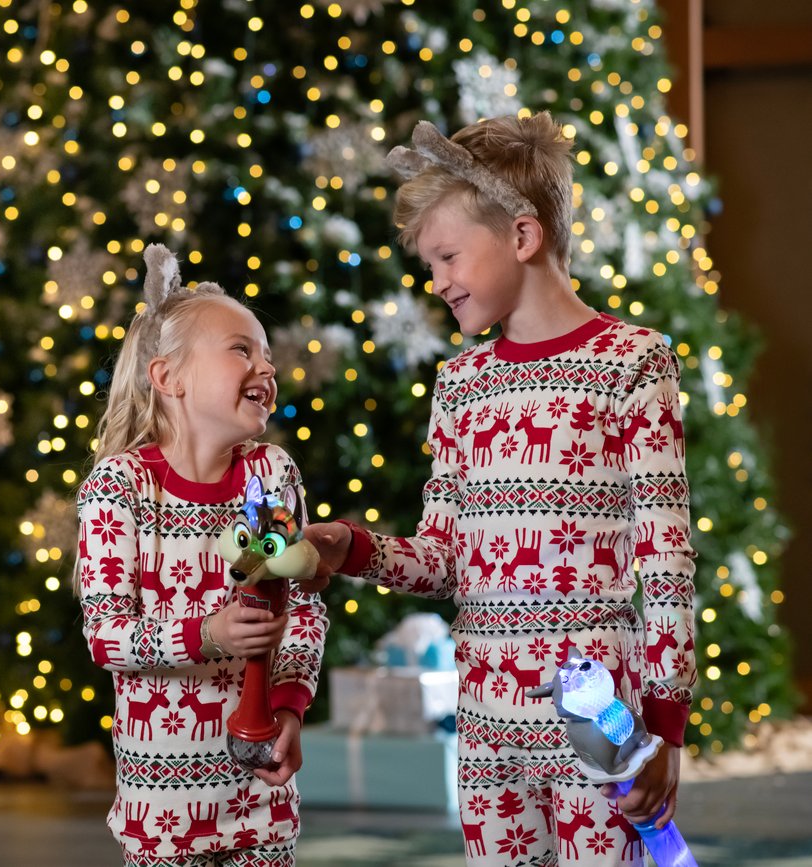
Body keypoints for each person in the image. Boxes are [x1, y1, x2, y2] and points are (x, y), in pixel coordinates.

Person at [305, 113, 697, 866]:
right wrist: (354, 547)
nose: (437, 281)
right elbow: (445, 558)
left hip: (601, 732)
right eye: (429, 263)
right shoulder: (460, 385)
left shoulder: (632, 364)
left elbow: (669, 565)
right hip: (486, 737)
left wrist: (664, 725)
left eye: (448, 255)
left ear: (522, 237)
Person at [77, 244, 328, 866]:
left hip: (262, 803)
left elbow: (304, 611)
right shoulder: (121, 486)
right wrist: (209, 634)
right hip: (162, 811)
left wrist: (291, 706)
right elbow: (107, 638)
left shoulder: (272, 474)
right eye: (242, 349)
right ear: (169, 378)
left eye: (268, 356)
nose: (265, 368)